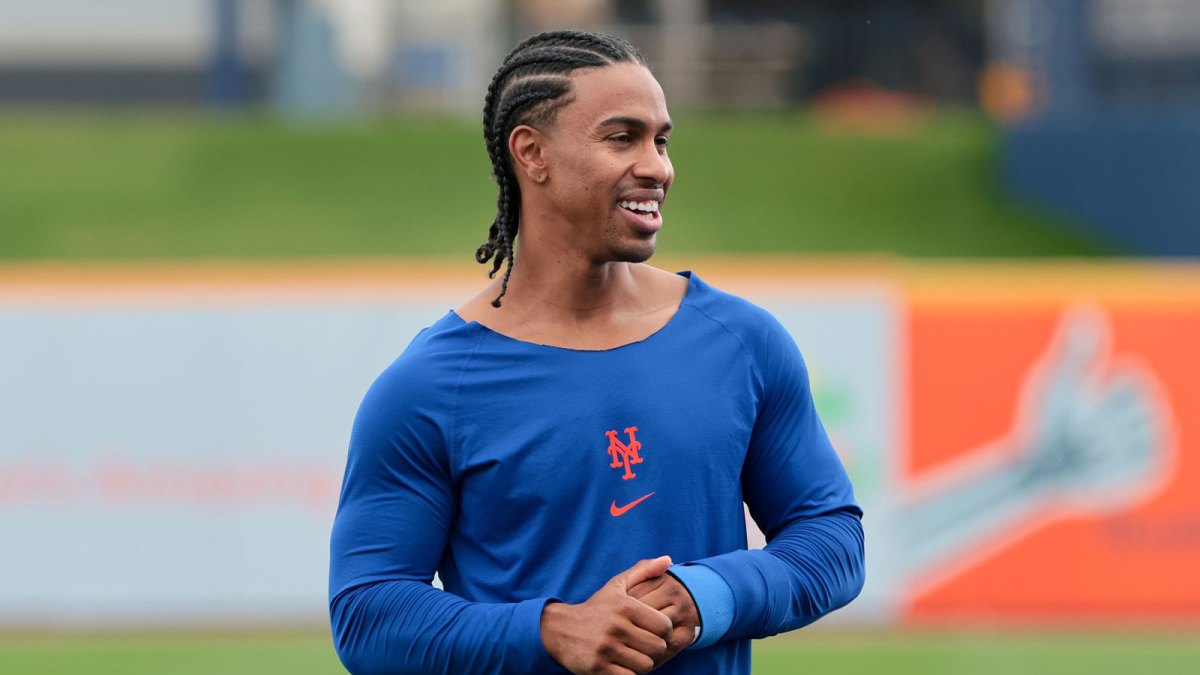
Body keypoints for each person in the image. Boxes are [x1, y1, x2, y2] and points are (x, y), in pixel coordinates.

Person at [329, 30, 864, 675]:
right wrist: (551, 630)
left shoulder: (742, 342)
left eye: (661, 141)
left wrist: (708, 596)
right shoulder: (430, 386)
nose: (658, 167)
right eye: (622, 138)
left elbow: (833, 542)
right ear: (532, 153)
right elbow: (368, 613)